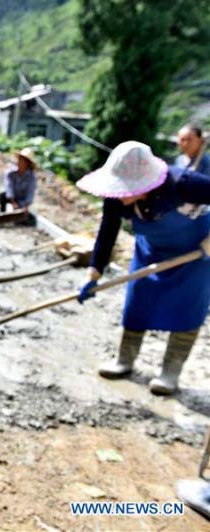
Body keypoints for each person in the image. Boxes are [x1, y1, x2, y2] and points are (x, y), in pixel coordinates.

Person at [76, 141, 210, 395]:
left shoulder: (186, 183)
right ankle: (124, 361)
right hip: (152, 251)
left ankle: (171, 372)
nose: (121, 195)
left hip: (197, 255)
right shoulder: (116, 199)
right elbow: (107, 233)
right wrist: (93, 273)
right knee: (137, 303)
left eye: (127, 189)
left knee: (188, 310)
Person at [0, 147, 37, 215]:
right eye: (20, 159)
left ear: (27, 163)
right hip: (12, 198)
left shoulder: (31, 177)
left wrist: (26, 206)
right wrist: (13, 202)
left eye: (23, 160)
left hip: (21, 201)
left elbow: (30, 192)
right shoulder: (11, 172)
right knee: (2, 195)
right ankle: (2, 213)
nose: (20, 161)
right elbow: (9, 188)